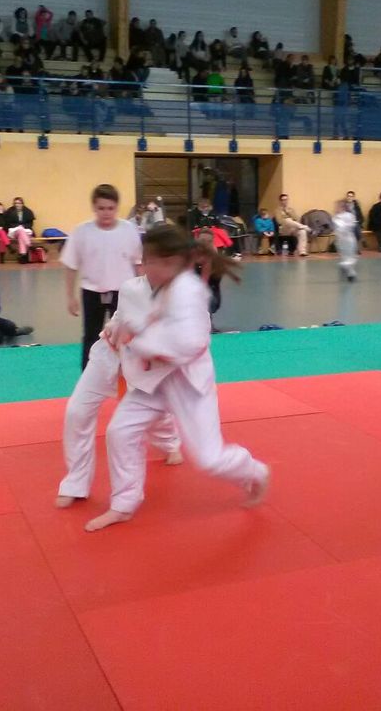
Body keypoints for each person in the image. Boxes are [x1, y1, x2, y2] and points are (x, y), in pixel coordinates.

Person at [87, 225, 270, 531]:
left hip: (188, 383)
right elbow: (141, 320)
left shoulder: (189, 291)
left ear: (179, 263)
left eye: (163, 262)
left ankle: (254, 471)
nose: (154, 269)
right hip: (153, 381)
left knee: (209, 459)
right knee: (120, 432)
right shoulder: (151, 287)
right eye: (150, 261)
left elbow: (187, 344)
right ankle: (124, 503)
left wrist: (135, 340)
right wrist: (120, 330)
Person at [56, 274, 183, 510]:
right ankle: (75, 482)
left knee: (155, 415)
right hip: (108, 355)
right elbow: (123, 321)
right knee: (76, 412)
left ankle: (170, 443)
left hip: (145, 367)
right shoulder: (131, 288)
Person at [61, 184, 143, 369]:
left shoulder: (129, 230)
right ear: (94, 207)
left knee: (126, 337)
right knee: (91, 336)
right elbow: (71, 266)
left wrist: (142, 293)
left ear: (117, 207)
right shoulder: (81, 231)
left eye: (110, 208)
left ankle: (128, 374)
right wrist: (70, 296)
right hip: (91, 291)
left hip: (123, 292)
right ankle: (88, 375)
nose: (106, 213)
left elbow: (138, 263)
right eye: (101, 208)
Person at [333, 200, 359, 281]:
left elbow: (350, 225)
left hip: (347, 239)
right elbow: (340, 228)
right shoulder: (336, 217)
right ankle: (348, 271)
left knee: (349, 257)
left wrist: (345, 227)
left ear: (343, 207)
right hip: (342, 240)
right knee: (346, 257)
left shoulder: (348, 215)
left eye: (338, 206)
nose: (336, 208)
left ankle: (350, 273)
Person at [4, 196, 35, 263]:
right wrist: (18, 226)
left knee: (21, 235)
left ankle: (23, 256)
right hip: (14, 231)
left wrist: (23, 226)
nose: (17, 205)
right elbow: (8, 223)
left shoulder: (28, 211)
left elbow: (30, 224)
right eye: (16, 203)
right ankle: (29, 245)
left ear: (22, 204)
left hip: (25, 231)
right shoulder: (10, 211)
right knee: (20, 229)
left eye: (19, 203)